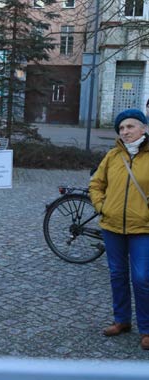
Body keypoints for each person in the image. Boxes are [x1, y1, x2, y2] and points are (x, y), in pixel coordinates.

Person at [89, 108, 149, 351]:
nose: (125, 131)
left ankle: (146, 328)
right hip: (112, 226)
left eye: (130, 126)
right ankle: (122, 320)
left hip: (143, 227)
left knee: (142, 277)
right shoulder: (113, 155)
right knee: (117, 274)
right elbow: (96, 183)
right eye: (122, 128)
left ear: (143, 128)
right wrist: (102, 206)